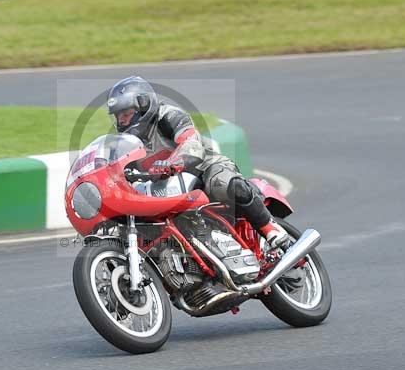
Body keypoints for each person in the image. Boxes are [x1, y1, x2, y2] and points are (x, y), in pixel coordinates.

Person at [106, 76, 289, 249]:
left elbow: (190, 143)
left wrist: (173, 162)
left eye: (126, 113)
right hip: (161, 188)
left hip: (202, 169)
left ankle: (269, 227)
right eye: (117, 115)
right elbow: (115, 174)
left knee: (224, 183)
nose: (121, 120)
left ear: (143, 108)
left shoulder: (167, 117)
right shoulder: (123, 143)